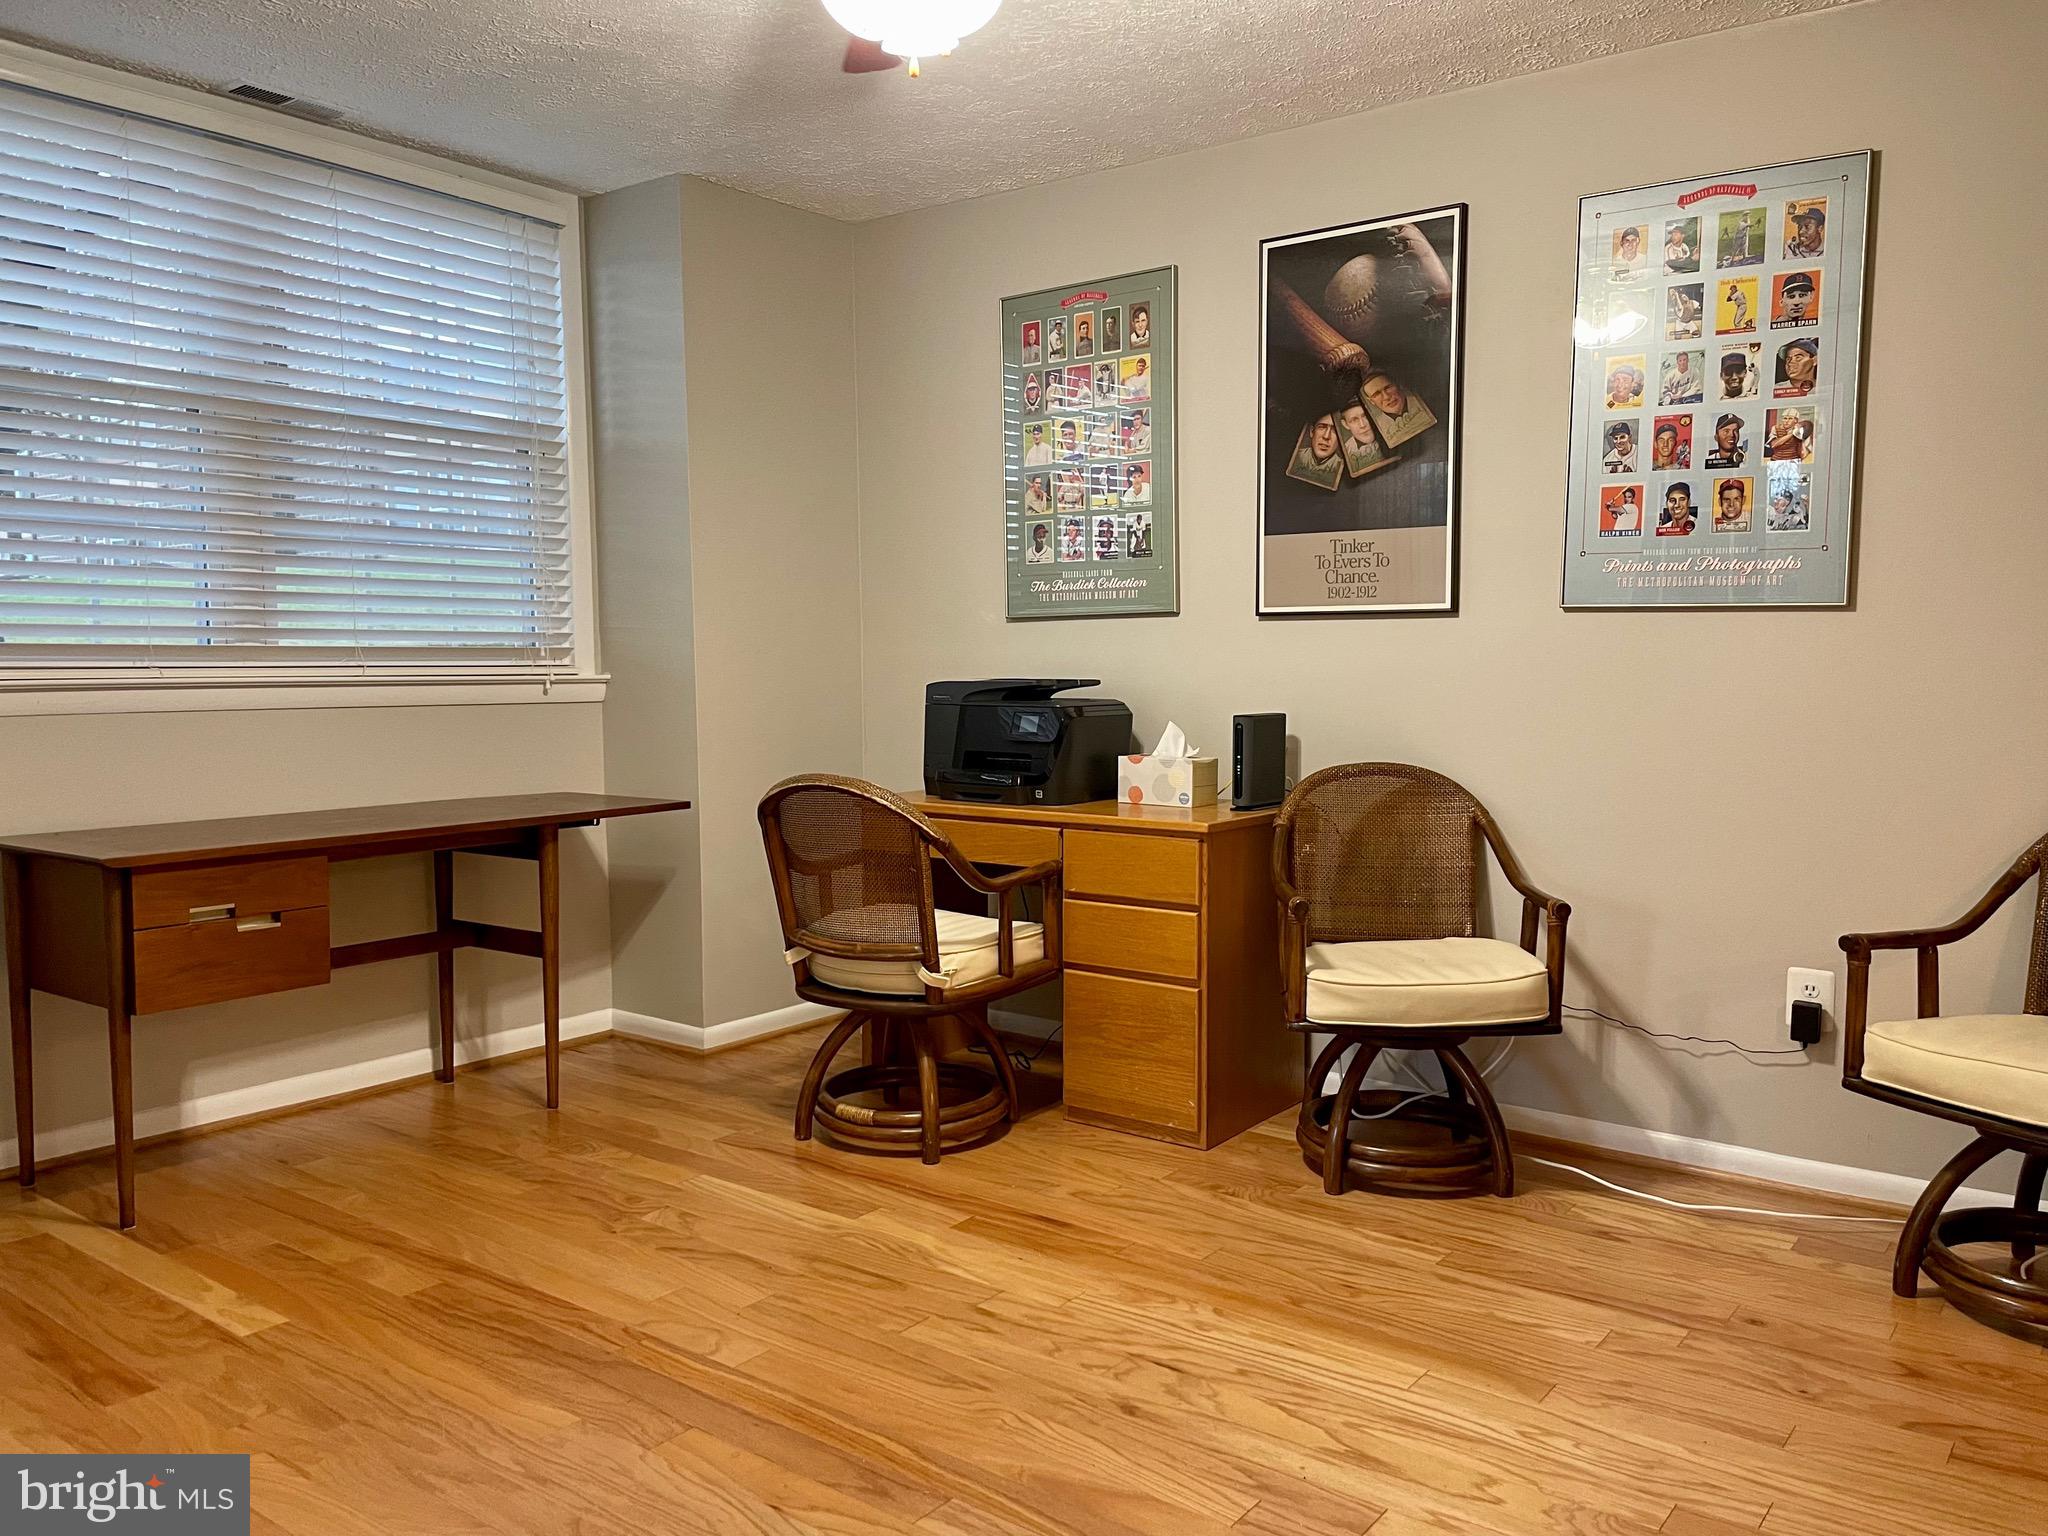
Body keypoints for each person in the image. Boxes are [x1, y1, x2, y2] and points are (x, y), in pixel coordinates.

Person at [1363, 371, 1437, 446]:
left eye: (1388, 387)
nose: (1386, 397)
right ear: (1371, 401)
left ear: (1397, 385)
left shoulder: (1427, 402)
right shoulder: (1378, 428)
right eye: (1377, 394)